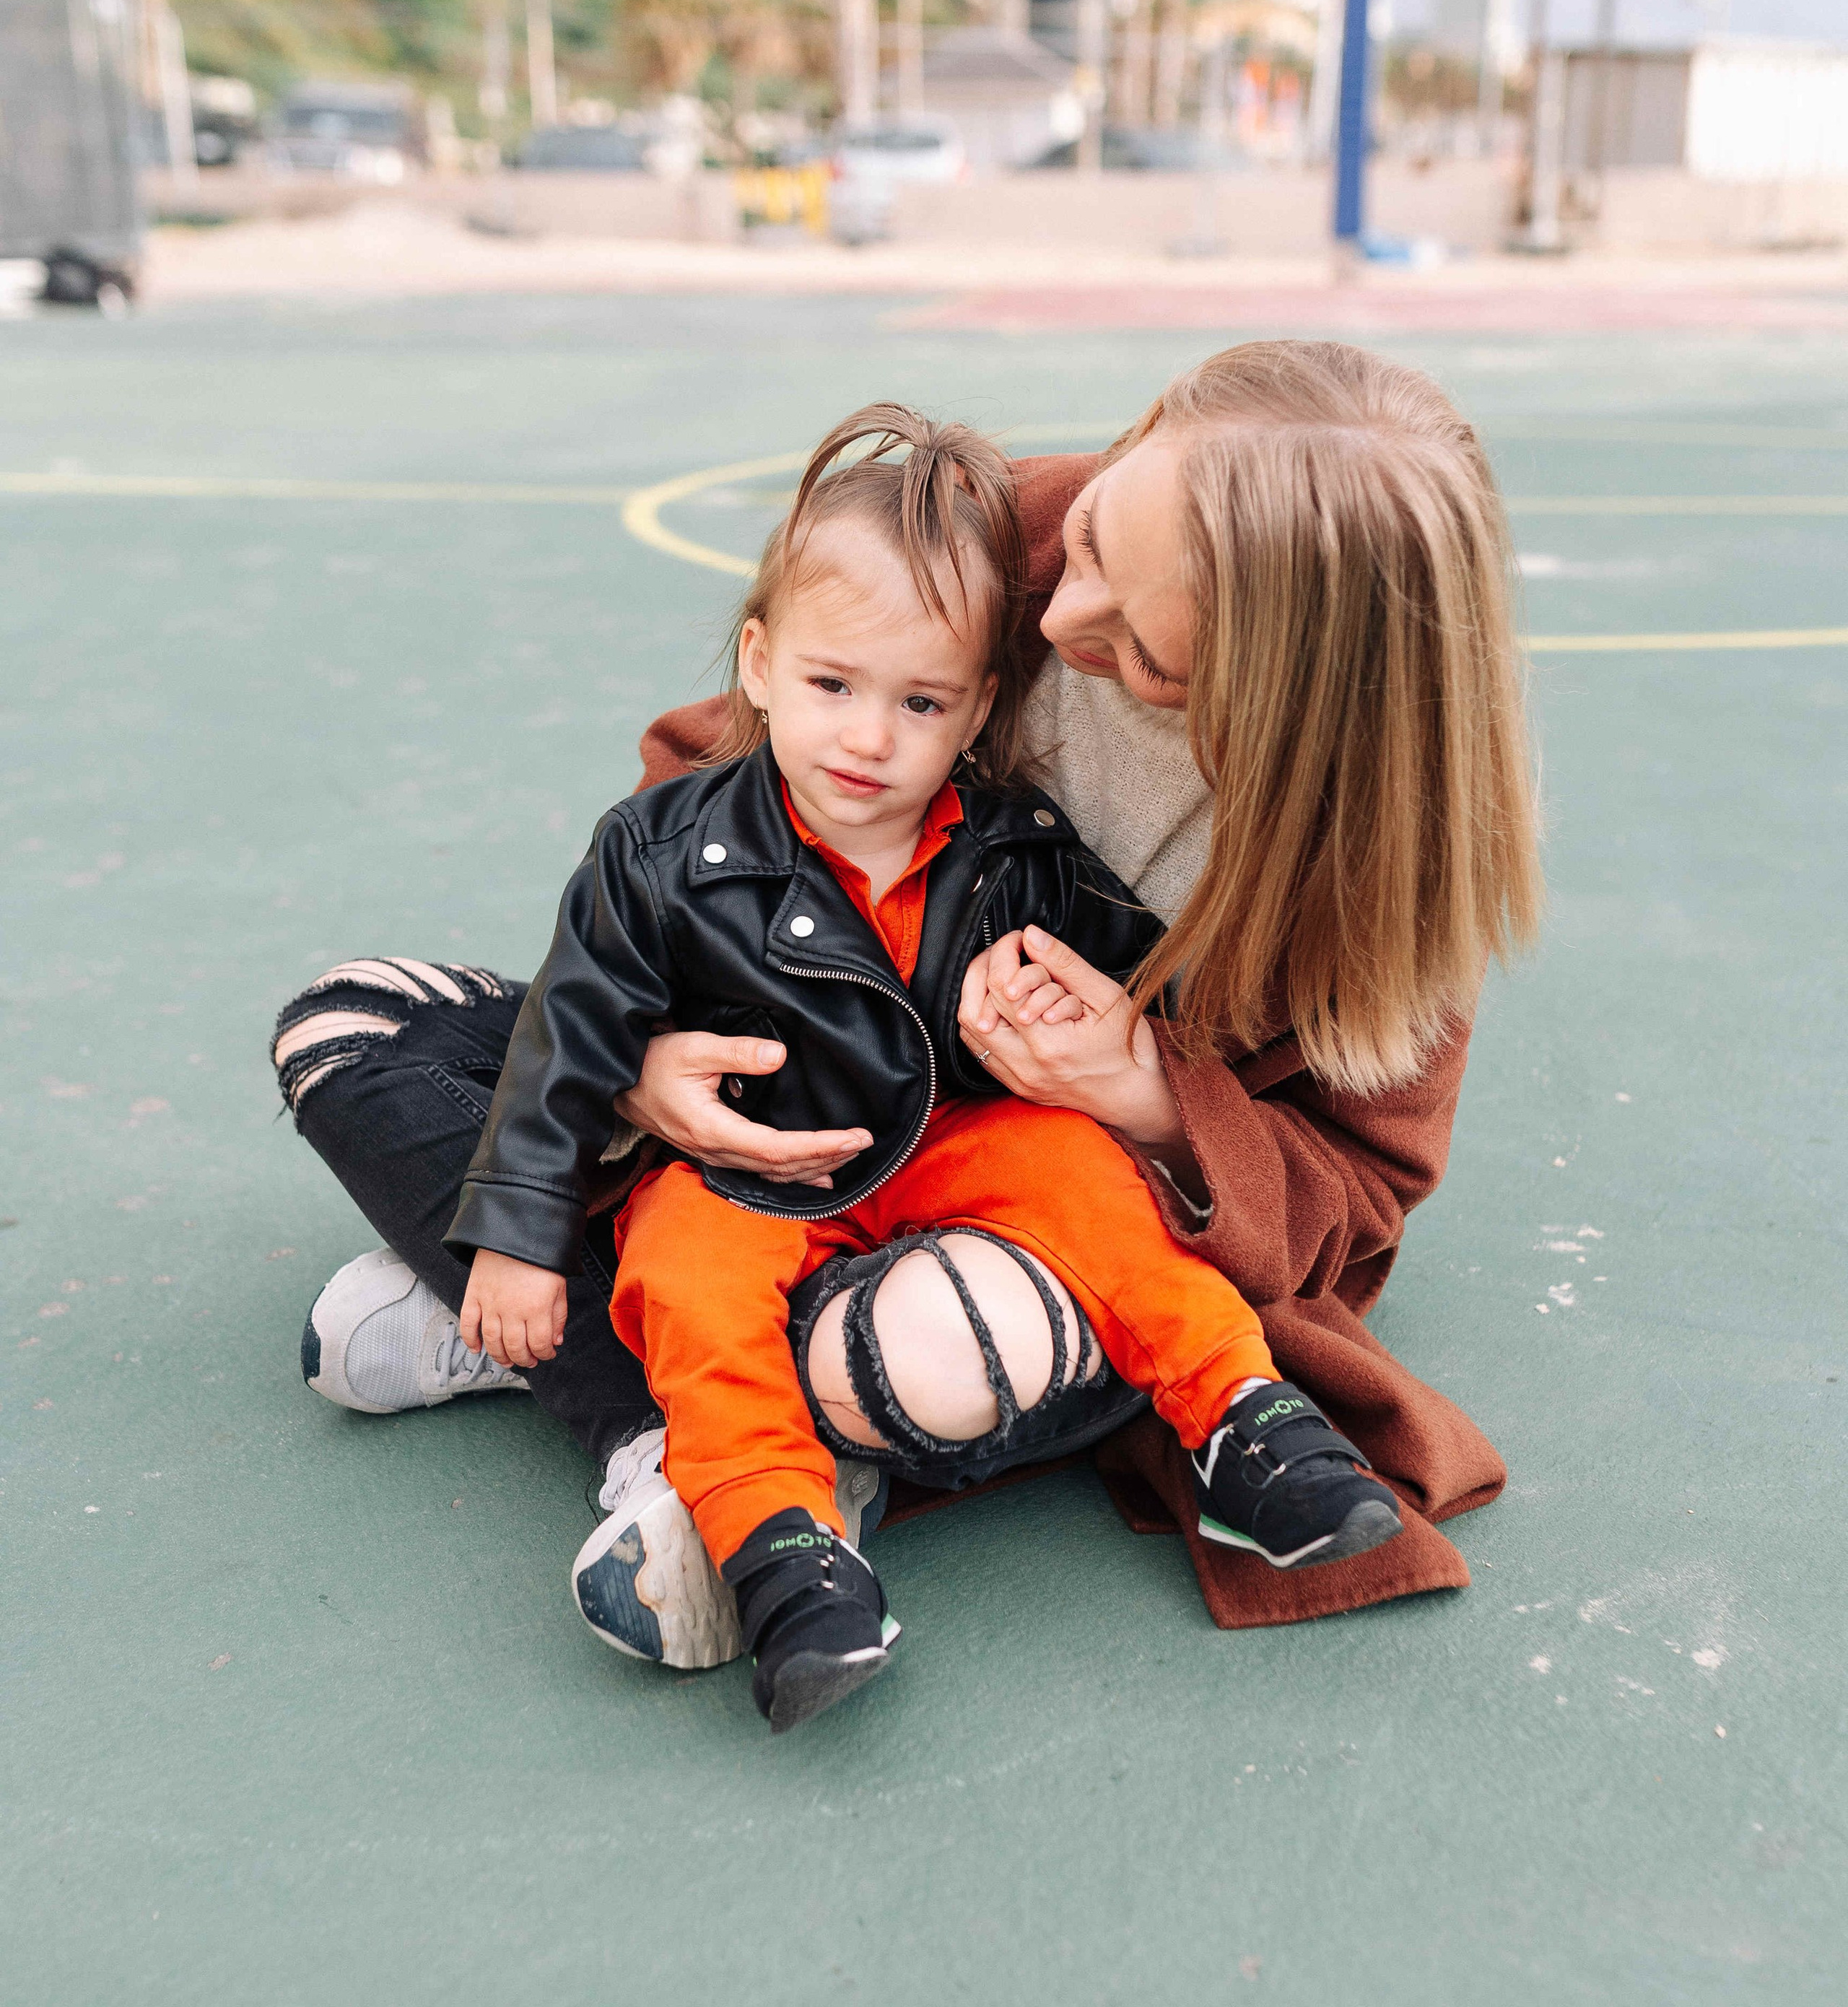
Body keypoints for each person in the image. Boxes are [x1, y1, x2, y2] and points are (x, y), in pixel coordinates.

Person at [273, 339, 1541, 1658]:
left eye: (1150, 656)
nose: (1058, 617)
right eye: (1099, 534)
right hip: (769, 1113)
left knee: (927, 1354)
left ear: (1297, 697)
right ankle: (650, 1411)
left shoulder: (1383, 855)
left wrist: (1150, 1095)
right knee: (351, 1028)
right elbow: (699, 797)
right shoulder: (1005, 537)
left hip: (1015, 1194)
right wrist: (642, 1064)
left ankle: (663, 1404)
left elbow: (1359, 1193)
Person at [445, 408, 1403, 1732]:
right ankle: (783, 1551)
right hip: (754, 1165)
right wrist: (525, 1226)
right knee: (684, 1277)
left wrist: (1121, 1031)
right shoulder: (662, 845)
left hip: (955, 1142)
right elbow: (564, 1032)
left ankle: (1245, 1418)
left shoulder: (1016, 844)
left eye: (921, 705)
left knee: (1082, 1174)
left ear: (978, 713)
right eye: (834, 687)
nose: (869, 738)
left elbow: (1156, 982)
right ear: (761, 664)